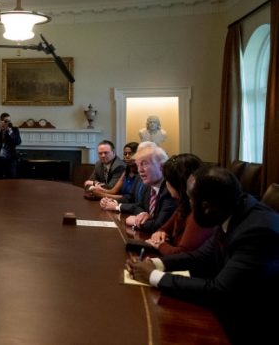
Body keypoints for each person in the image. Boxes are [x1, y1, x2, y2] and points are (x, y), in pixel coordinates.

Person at [126, 166, 279, 344]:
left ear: (206, 207)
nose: (188, 205)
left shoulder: (258, 231)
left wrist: (152, 276)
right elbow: (200, 256)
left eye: (191, 200)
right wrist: (156, 263)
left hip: (251, 326)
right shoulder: (231, 209)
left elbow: (219, 291)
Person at [100, 142, 177, 233]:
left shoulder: (170, 190)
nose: (140, 170)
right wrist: (143, 213)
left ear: (161, 166)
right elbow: (140, 205)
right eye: (138, 165)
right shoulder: (150, 187)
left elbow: (158, 226)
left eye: (144, 164)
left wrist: (135, 221)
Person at [145, 154, 214, 255]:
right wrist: (160, 233)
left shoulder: (198, 213)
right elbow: (163, 228)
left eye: (166, 180)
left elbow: (182, 254)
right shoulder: (184, 204)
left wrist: (159, 245)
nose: (165, 183)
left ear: (177, 183)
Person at [0, 112, 22, 179]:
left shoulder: (14, 130)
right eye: (6, 121)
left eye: (9, 121)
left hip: (10, 159)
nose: (8, 123)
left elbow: (18, 142)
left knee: (11, 182)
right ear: (1, 121)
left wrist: (10, 132)